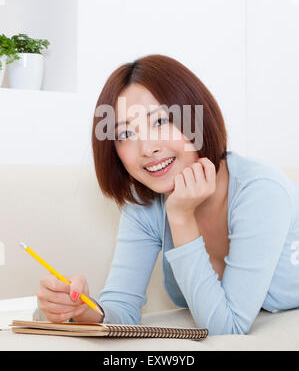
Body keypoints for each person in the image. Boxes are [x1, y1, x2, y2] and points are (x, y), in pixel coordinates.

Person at [37, 54, 299, 335]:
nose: (147, 148)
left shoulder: (260, 191)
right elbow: (122, 308)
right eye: (125, 135)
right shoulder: (145, 204)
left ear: (198, 119)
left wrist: (182, 217)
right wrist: (85, 311)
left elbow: (227, 330)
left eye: (160, 122)